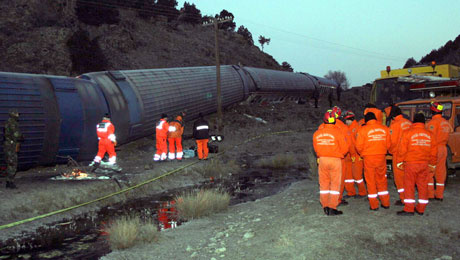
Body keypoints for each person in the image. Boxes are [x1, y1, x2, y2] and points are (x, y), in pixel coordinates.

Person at [396, 113, 437, 216]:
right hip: (424, 164)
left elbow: (402, 149)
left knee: (409, 186)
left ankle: (409, 209)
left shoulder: (407, 133)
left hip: (411, 164)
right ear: (424, 122)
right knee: (423, 186)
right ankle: (421, 209)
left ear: (414, 121)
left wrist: (400, 161)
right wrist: (432, 164)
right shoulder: (430, 134)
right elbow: (433, 152)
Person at [313, 110, 348, 216]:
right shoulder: (338, 132)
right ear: (334, 121)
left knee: (323, 184)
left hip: (322, 160)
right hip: (335, 160)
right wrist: (338, 154)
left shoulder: (317, 133)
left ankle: (325, 206)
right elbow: (345, 148)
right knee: (335, 184)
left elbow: (316, 149)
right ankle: (332, 207)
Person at [355, 112, 391, 211]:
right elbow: (389, 144)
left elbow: (358, 146)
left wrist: (363, 153)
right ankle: (385, 202)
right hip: (381, 157)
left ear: (366, 120)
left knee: (370, 181)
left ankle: (374, 205)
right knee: (382, 179)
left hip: (368, 158)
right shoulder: (384, 129)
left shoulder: (362, 130)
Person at [426, 102, 453, 201]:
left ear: (432, 111)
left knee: (430, 171)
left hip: (434, 148)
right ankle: (439, 195)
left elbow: (430, 137)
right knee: (441, 172)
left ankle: (430, 194)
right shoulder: (445, 122)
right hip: (443, 148)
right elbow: (450, 132)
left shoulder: (432, 123)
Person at [388, 106, 412, 205]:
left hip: (398, 154)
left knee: (399, 178)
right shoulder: (409, 123)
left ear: (393, 116)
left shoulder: (395, 125)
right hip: (410, 154)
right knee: (409, 177)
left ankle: (403, 199)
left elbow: (391, 141)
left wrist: (390, 151)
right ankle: (409, 197)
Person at [344, 110, 367, 198]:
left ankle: (362, 192)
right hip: (349, 155)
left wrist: (357, 154)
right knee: (348, 176)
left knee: (357, 175)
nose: (346, 122)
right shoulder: (348, 128)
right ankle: (350, 192)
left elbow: (358, 143)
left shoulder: (357, 128)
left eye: (347, 120)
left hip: (356, 155)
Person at [3, 109, 24, 189]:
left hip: (8, 145)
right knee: (12, 163)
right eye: (17, 114)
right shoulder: (12, 123)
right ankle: (10, 182)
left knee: (10, 163)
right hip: (11, 146)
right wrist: (22, 137)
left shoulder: (8, 122)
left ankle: (9, 181)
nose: (18, 115)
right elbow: (16, 135)